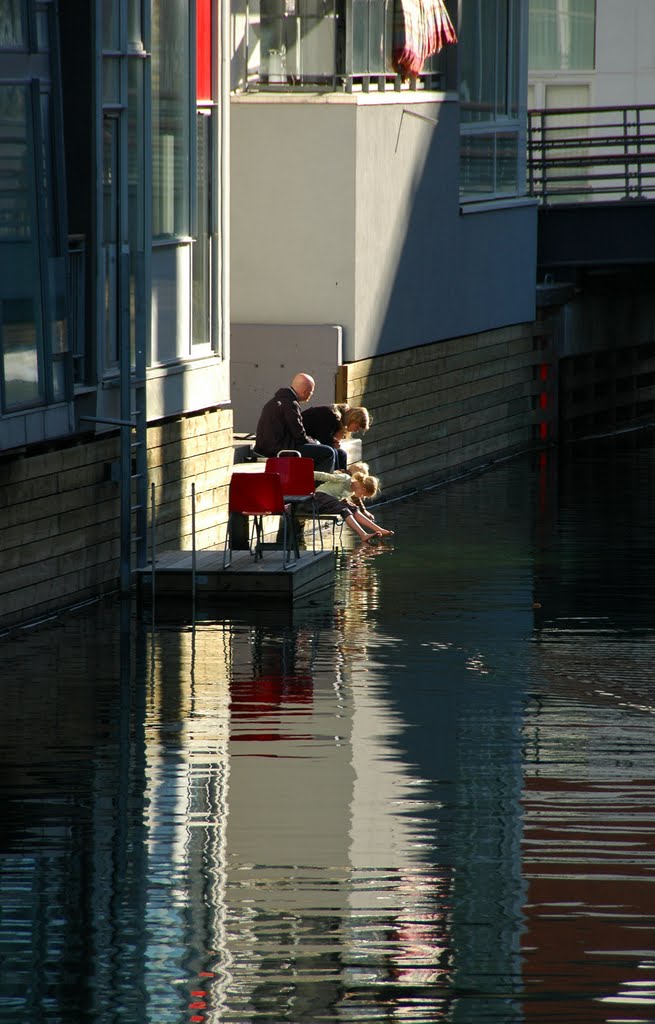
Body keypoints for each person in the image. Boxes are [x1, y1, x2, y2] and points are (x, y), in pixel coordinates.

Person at [254, 373, 336, 471]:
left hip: (267, 447)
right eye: (311, 392)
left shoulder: (274, 401)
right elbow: (299, 435)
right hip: (280, 449)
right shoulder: (290, 404)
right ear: (305, 392)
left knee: (323, 450)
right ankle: (319, 484)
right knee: (328, 453)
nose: (311, 395)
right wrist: (315, 443)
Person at [311, 469, 393, 543]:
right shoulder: (345, 478)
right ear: (363, 489)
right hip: (320, 498)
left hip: (331, 502)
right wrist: (306, 474)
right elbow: (324, 476)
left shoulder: (352, 491)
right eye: (363, 495)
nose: (362, 497)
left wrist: (363, 510)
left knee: (353, 508)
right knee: (344, 509)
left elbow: (354, 503)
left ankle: (378, 529)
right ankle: (363, 535)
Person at [302, 403, 371, 471]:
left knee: (342, 454)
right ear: (353, 420)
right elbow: (324, 439)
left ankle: (342, 478)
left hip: (311, 440)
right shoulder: (331, 416)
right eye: (357, 427)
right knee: (332, 452)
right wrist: (333, 443)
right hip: (301, 441)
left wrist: (333, 442)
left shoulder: (337, 419)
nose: (356, 431)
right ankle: (336, 478)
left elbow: (324, 437)